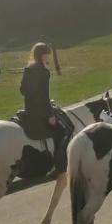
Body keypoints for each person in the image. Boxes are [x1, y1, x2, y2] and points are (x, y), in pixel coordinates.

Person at [19, 42, 66, 170]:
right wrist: (50, 115)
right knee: (61, 132)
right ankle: (59, 166)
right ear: (42, 55)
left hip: (29, 110)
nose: (48, 57)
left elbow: (22, 90)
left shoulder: (28, 69)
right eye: (47, 54)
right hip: (40, 112)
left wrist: (33, 98)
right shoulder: (43, 71)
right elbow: (44, 96)